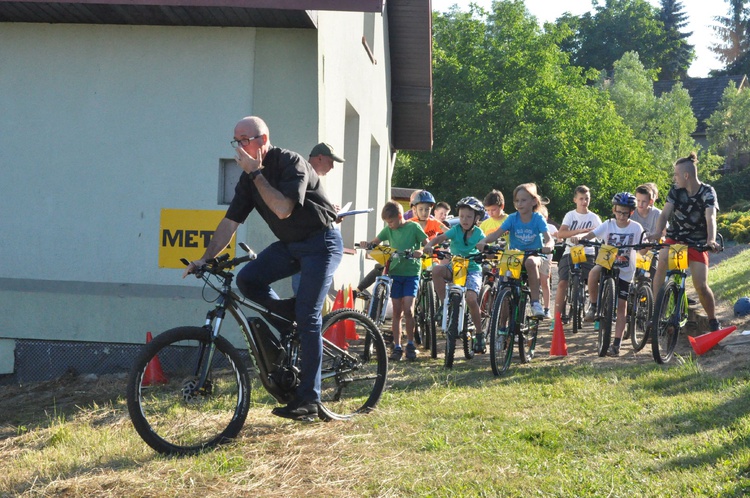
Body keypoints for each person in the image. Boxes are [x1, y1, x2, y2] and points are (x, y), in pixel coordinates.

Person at [184, 116, 343, 421]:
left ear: (263, 139)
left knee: (309, 317)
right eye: (236, 141)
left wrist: (257, 173)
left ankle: (309, 399)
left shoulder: (290, 163)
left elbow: (283, 209)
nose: (239, 147)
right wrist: (204, 258)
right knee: (248, 280)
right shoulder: (247, 180)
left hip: (321, 243)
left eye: (244, 140)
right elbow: (230, 222)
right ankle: (288, 321)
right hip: (291, 246)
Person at [648, 152, 722, 331]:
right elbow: (665, 214)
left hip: (698, 242)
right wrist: (658, 232)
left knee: (701, 286)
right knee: (662, 261)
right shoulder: (675, 191)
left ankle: (713, 321)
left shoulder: (707, 191)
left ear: (686, 175)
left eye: (676, 174)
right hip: (676, 238)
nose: (674, 178)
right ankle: (657, 311)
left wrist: (711, 240)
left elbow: (710, 217)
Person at [572, 192, 642, 356]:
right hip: (607, 257)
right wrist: (580, 237)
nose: (622, 216)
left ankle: (616, 344)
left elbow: (642, 247)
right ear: (614, 210)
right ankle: (594, 305)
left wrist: (647, 247)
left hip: (626, 267)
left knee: (622, 306)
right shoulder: (608, 224)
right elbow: (591, 234)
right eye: (619, 211)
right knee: (594, 272)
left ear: (631, 213)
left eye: (625, 213)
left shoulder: (636, 228)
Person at [360, 202, 427, 361]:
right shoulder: (389, 230)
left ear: (399, 217)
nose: (389, 225)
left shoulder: (414, 228)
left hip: (411, 273)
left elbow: (427, 244)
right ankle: (397, 346)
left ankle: (410, 343)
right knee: (397, 311)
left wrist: (421, 251)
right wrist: (367, 244)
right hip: (395, 273)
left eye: (391, 221)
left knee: (409, 309)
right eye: (387, 223)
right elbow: (375, 242)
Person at [477, 183, 553, 318]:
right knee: (505, 288)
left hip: (534, 254)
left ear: (534, 201)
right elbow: (496, 234)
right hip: (515, 256)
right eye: (517, 200)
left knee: (530, 262)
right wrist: (483, 241)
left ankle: (535, 303)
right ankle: (501, 329)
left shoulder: (538, 218)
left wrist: (549, 245)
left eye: (523, 200)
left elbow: (549, 238)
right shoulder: (512, 218)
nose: (519, 204)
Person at [423, 197, 487, 351]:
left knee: (472, 299)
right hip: (455, 266)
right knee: (437, 270)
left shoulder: (479, 233)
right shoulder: (456, 230)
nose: (464, 220)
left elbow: (486, 245)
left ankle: (479, 335)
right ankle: (445, 303)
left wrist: (486, 251)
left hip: (472, 269)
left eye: (469, 217)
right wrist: (430, 245)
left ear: (477, 218)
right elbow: (440, 237)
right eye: (462, 216)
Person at [553, 185, 602, 331]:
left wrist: (584, 236)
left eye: (586, 198)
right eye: (581, 198)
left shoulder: (594, 217)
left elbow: (600, 234)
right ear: (575, 200)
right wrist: (579, 231)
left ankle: (596, 311)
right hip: (570, 251)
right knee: (562, 282)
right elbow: (561, 234)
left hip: (587, 252)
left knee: (594, 280)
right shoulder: (570, 215)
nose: (584, 201)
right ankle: (556, 317)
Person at [538, 205, 557, 319]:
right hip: (535, 257)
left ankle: (547, 308)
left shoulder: (551, 227)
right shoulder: (534, 225)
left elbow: (559, 237)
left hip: (546, 259)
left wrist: (557, 238)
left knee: (544, 282)